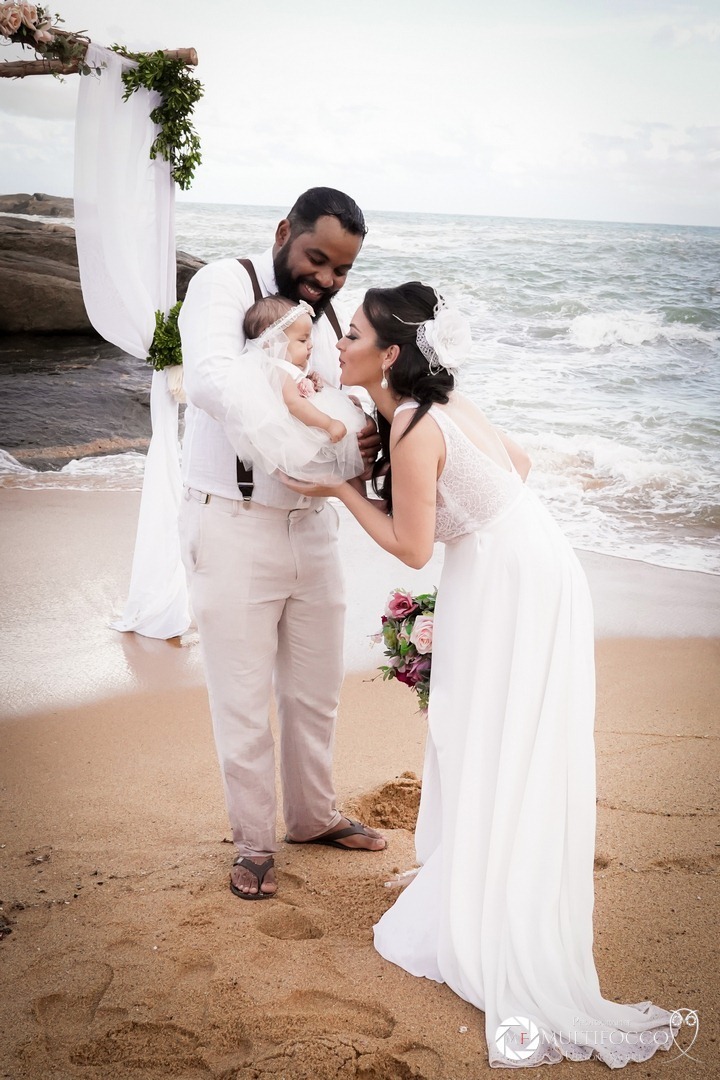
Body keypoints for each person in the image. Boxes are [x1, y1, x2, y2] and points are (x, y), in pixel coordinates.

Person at [281, 282, 679, 1067]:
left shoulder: (407, 420)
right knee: (502, 729)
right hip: (534, 559)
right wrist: (477, 523)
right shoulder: (441, 401)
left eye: (352, 332)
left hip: (505, 580)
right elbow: (520, 465)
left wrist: (340, 490)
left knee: (482, 728)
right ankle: (482, 872)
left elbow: (411, 548)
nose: (340, 342)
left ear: (387, 355)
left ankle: (483, 894)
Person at [178, 188, 387, 904]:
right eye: (317, 259)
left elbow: (345, 392)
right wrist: (288, 423)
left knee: (316, 689)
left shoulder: (328, 318)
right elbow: (207, 378)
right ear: (283, 232)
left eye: (341, 270)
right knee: (240, 697)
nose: (327, 280)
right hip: (233, 522)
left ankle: (313, 816)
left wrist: (356, 423)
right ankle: (255, 843)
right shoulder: (224, 282)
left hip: (315, 525)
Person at [227, 294, 365, 483]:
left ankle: (363, 488)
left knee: (348, 449)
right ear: (272, 343)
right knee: (340, 455)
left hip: (314, 419)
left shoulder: (291, 367)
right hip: (306, 428)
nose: (310, 345)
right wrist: (328, 424)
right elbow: (294, 402)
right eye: (302, 340)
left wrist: (312, 380)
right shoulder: (278, 370)